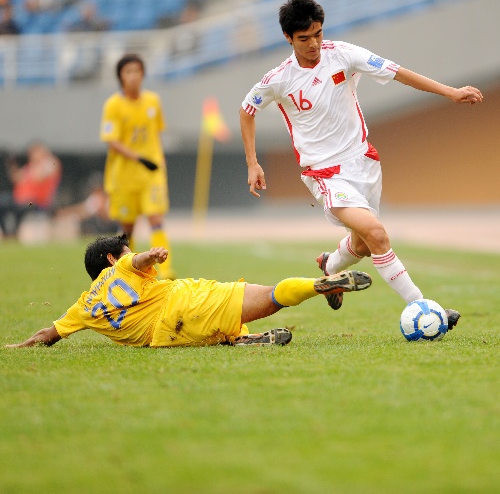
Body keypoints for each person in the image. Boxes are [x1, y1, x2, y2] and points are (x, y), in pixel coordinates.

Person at [239, 0, 481, 321]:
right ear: (288, 38)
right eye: (304, 38)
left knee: (365, 244)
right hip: (325, 173)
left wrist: (449, 92)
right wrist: (253, 162)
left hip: (364, 160)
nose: (313, 44)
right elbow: (247, 110)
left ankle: (330, 265)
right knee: (377, 234)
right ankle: (423, 308)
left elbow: (398, 72)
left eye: (318, 34)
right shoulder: (278, 79)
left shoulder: (343, 54)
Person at [5, 233, 373, 348]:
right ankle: (322, 285)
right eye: (124, 248)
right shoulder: (122, 266)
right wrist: (152, 254)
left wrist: (16, 347)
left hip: (166, 337)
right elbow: (136, 263)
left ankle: (246, 341)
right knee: (271, 295)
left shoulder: (82, 306)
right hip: (183, 300)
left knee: (221, 328)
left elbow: (47, 335)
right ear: (109, 257)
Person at [100, 53, 175, 279]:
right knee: (127, 228)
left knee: (156, 219)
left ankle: (166, 270)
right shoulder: (113, 105)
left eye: (137, 71)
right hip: (124, 175)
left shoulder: (153, 101)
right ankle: (127, 270)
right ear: (120, 76)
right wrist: (139, 158)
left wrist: (159, 159)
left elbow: (157, 133)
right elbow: (112, 141)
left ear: (143, 74)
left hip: (151, 174)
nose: (133, 76)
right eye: (128, 71)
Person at [0, 143, 62, 238]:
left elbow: (39, 177)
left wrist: (39, 162)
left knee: (24, 208)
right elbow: (17, 178)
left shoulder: (50, 163)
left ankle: (15, 233)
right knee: (2, 202)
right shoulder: (30, 166)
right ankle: (7, 233)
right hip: (19, 199)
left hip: (36, 202)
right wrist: (11, 163)